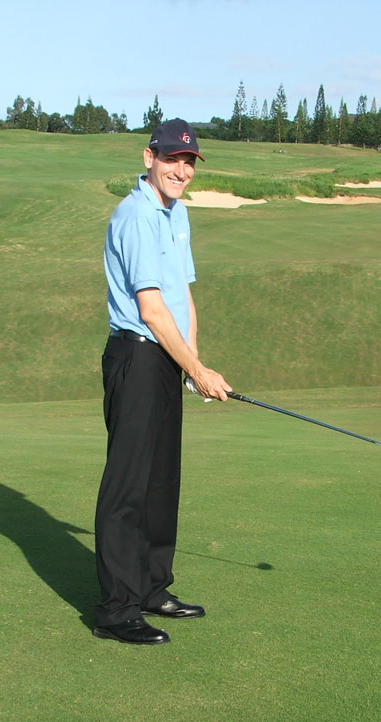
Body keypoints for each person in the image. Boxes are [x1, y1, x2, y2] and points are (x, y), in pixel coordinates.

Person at [93, 119, 231, 645]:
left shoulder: (177, 214)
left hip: (168, 358)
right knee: (127, 487)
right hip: (136, 356)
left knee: (160, 483)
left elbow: (182, 296)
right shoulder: (135, 215)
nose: (181, 169)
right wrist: (197, 370)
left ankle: (152, 586)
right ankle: (116, 609)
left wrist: (191, 363)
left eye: (189, 161)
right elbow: (150, 310)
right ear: (149, 156)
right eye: (172, 158)